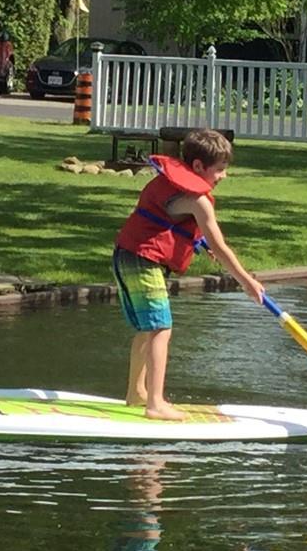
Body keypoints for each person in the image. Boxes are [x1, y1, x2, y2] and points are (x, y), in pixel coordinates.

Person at [112, 129, 264, 421]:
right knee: (160, 328)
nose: (224, 176)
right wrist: (247, 281)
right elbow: (220, 247)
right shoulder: (198, 201)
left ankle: (136, 392)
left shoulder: (169, 184)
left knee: (149, 327)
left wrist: (195, 240)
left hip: (126, 254)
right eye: (219, 170)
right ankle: (155, 403)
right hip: (144, 259)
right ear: (197, 167)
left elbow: (165, 218)